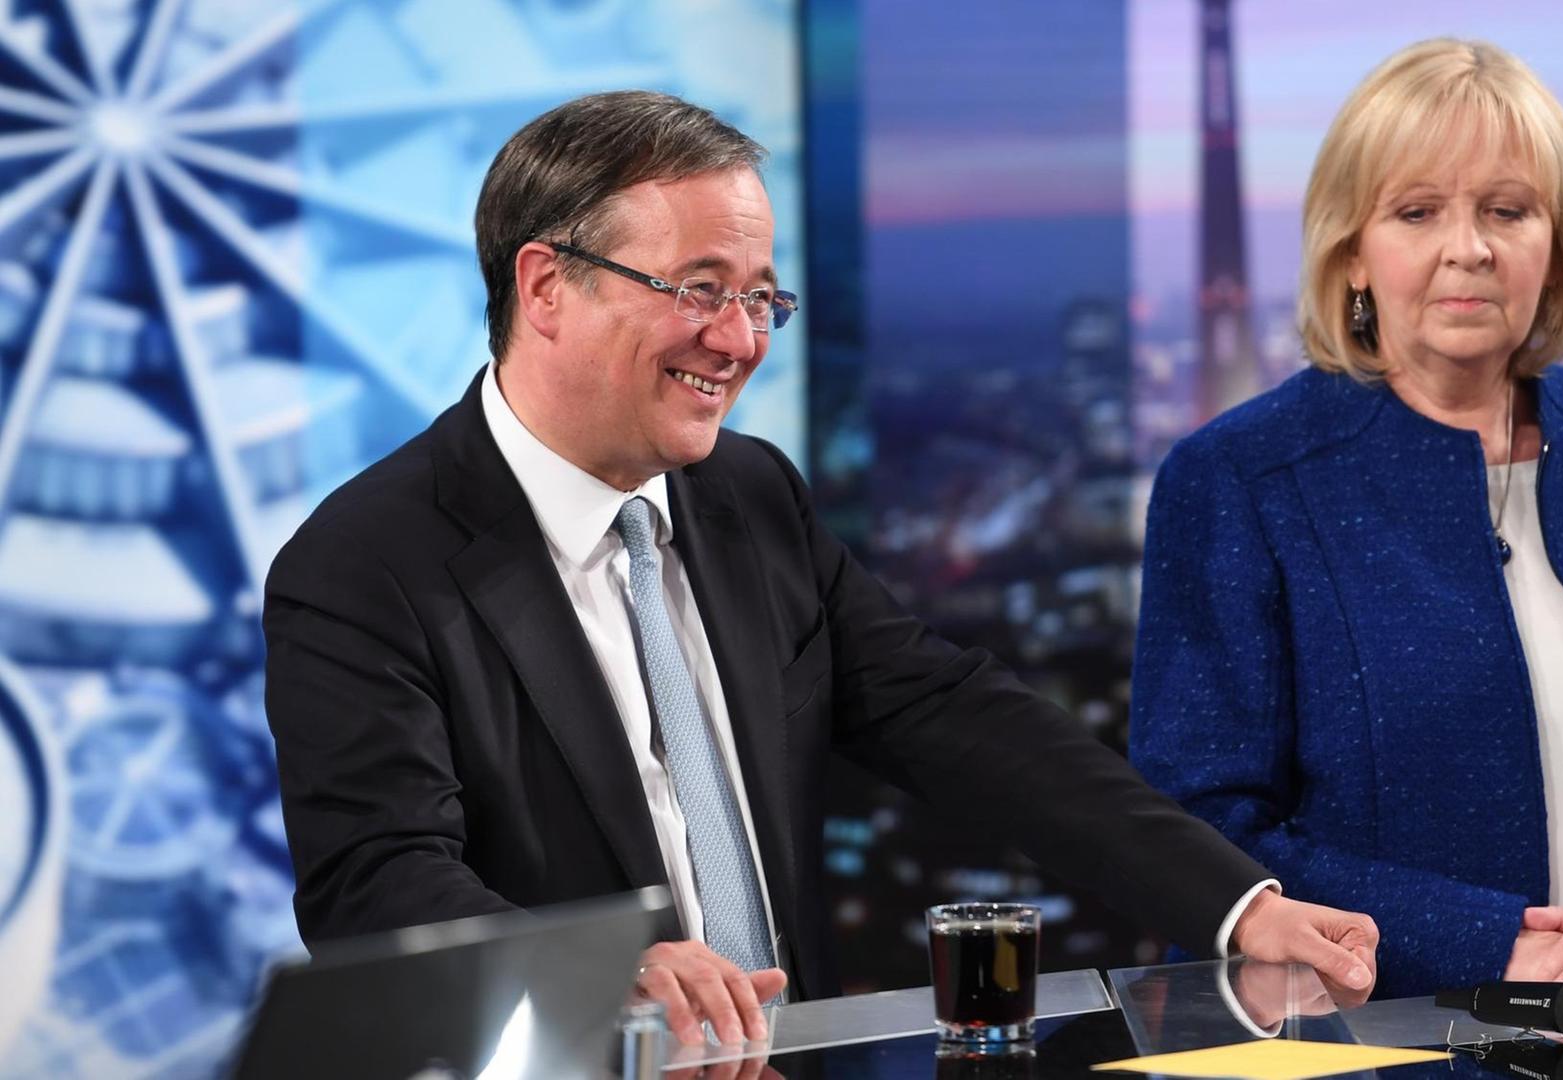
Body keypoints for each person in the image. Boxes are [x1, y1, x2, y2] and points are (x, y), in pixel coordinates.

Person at [263, 90, 1379, 1048]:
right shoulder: (366, 564)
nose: (740, 340)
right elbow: (379, 886)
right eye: (701, 289)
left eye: (760, 298)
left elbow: (959, 720)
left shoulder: (751, 498)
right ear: (548, 286)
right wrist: (603, 973)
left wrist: (1235, 905)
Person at [1129, 39, 1563, 1002]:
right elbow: (1198, 827)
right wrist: (1497, 946)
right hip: (1379, 1050)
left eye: (1507, 210)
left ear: (1555, 245)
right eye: (1417, 212)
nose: (1470, 247)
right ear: (1352, 252)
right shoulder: (1240, 481)